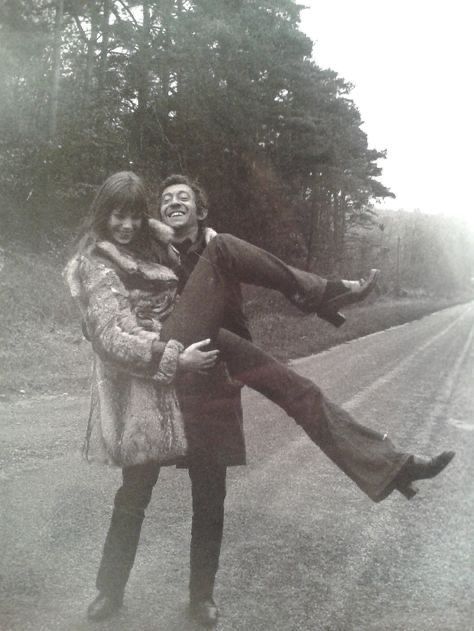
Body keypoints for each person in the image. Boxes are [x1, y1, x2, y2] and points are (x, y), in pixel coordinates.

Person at [65, 171, 454, 627]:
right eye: (165, 199)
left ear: (198, 209)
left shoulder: (196, 249)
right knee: (134, 492)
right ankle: (108, 593)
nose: (170, 205)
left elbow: (220, 301)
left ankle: (391, 466)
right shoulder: (140, 253)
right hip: (159, 372)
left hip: (211, 366)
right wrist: (170, 350)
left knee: (295, 394)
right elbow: (109, 333)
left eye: (182, 199)